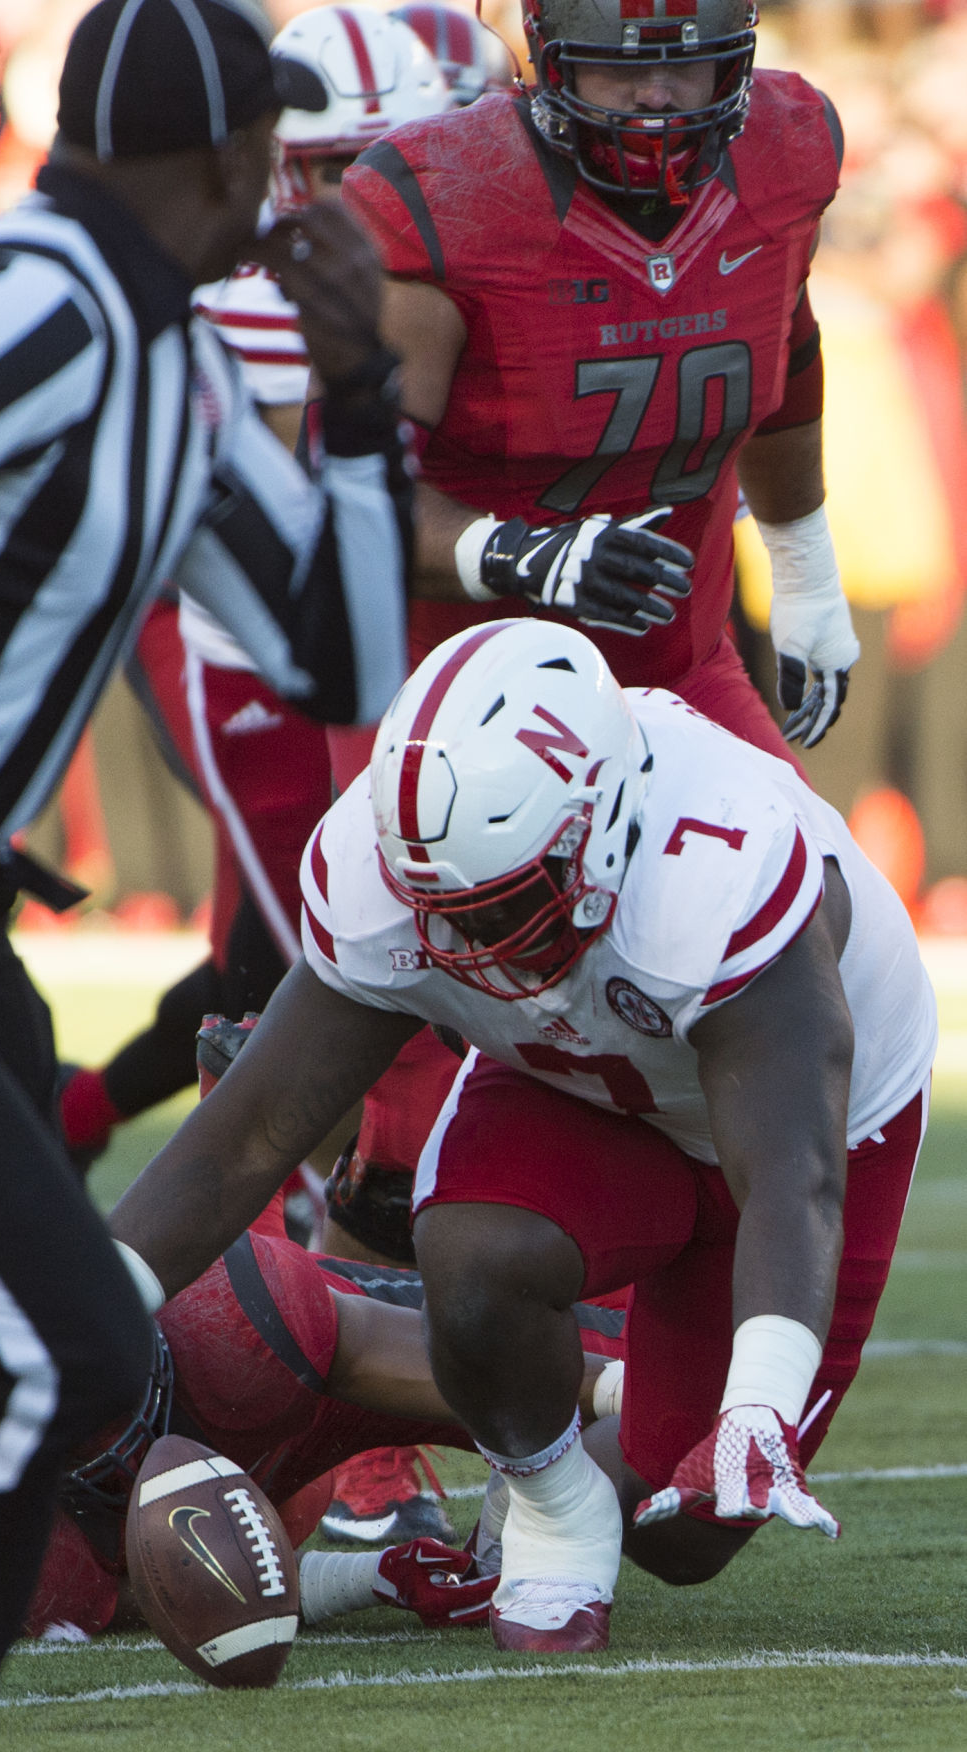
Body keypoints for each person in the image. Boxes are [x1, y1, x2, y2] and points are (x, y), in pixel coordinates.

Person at [0, 0, 416, 1743]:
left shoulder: (176, 362)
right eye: (261, 146)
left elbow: (336, 654)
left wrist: (359, 393)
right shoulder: (37, 302)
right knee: (56, 1355)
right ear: (210, 158)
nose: (276, 179)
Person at [109, 618, 936, 1657]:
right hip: (586, 1083)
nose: (463, 945)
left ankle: (626, 1425)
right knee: (473, 1256)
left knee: (687, 1529)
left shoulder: (721, 864)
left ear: (599, 827)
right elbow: (251, 1132)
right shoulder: (396, 871)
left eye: (502, 910)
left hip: (811, 1130)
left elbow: (792, 1178)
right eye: (444, 912)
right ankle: (548, 1501)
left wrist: (761, 1406)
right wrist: (86, 1307)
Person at [312, 0, 864, 1285]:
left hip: (671, 659)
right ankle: (363, 1437)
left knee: (794, 956)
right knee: (401, 1051)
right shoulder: (447, 198)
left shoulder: (789, 151)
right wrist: (515, 552)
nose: (655, 109)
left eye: (685, 75)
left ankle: (678, 1348)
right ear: (546, 58)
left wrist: (803, 560)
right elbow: (348, 487)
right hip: (445, 678)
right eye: (619, 74)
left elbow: (784, 347)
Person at [58, 4, 451, 1167]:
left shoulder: (435, 261)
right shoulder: (201, 300)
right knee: (332, 971)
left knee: (276, 959)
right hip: (237, 651)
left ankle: (89, 1126)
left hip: (353, 652)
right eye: (318, 161)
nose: (344, 195)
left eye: (373, 164)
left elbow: (347, 620)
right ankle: (326, 1237)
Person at [29, 1014, 625, 1639]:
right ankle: (239, 1124)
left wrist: (610, 1392)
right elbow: (133, 1598)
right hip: (251, 1466)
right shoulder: (10, 1530)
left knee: (629, 1387)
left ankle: (245, 1132)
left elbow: (432, 1361)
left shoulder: (222, 1330)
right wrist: (376, 1576)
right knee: (271, 1507)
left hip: (264, 1363)